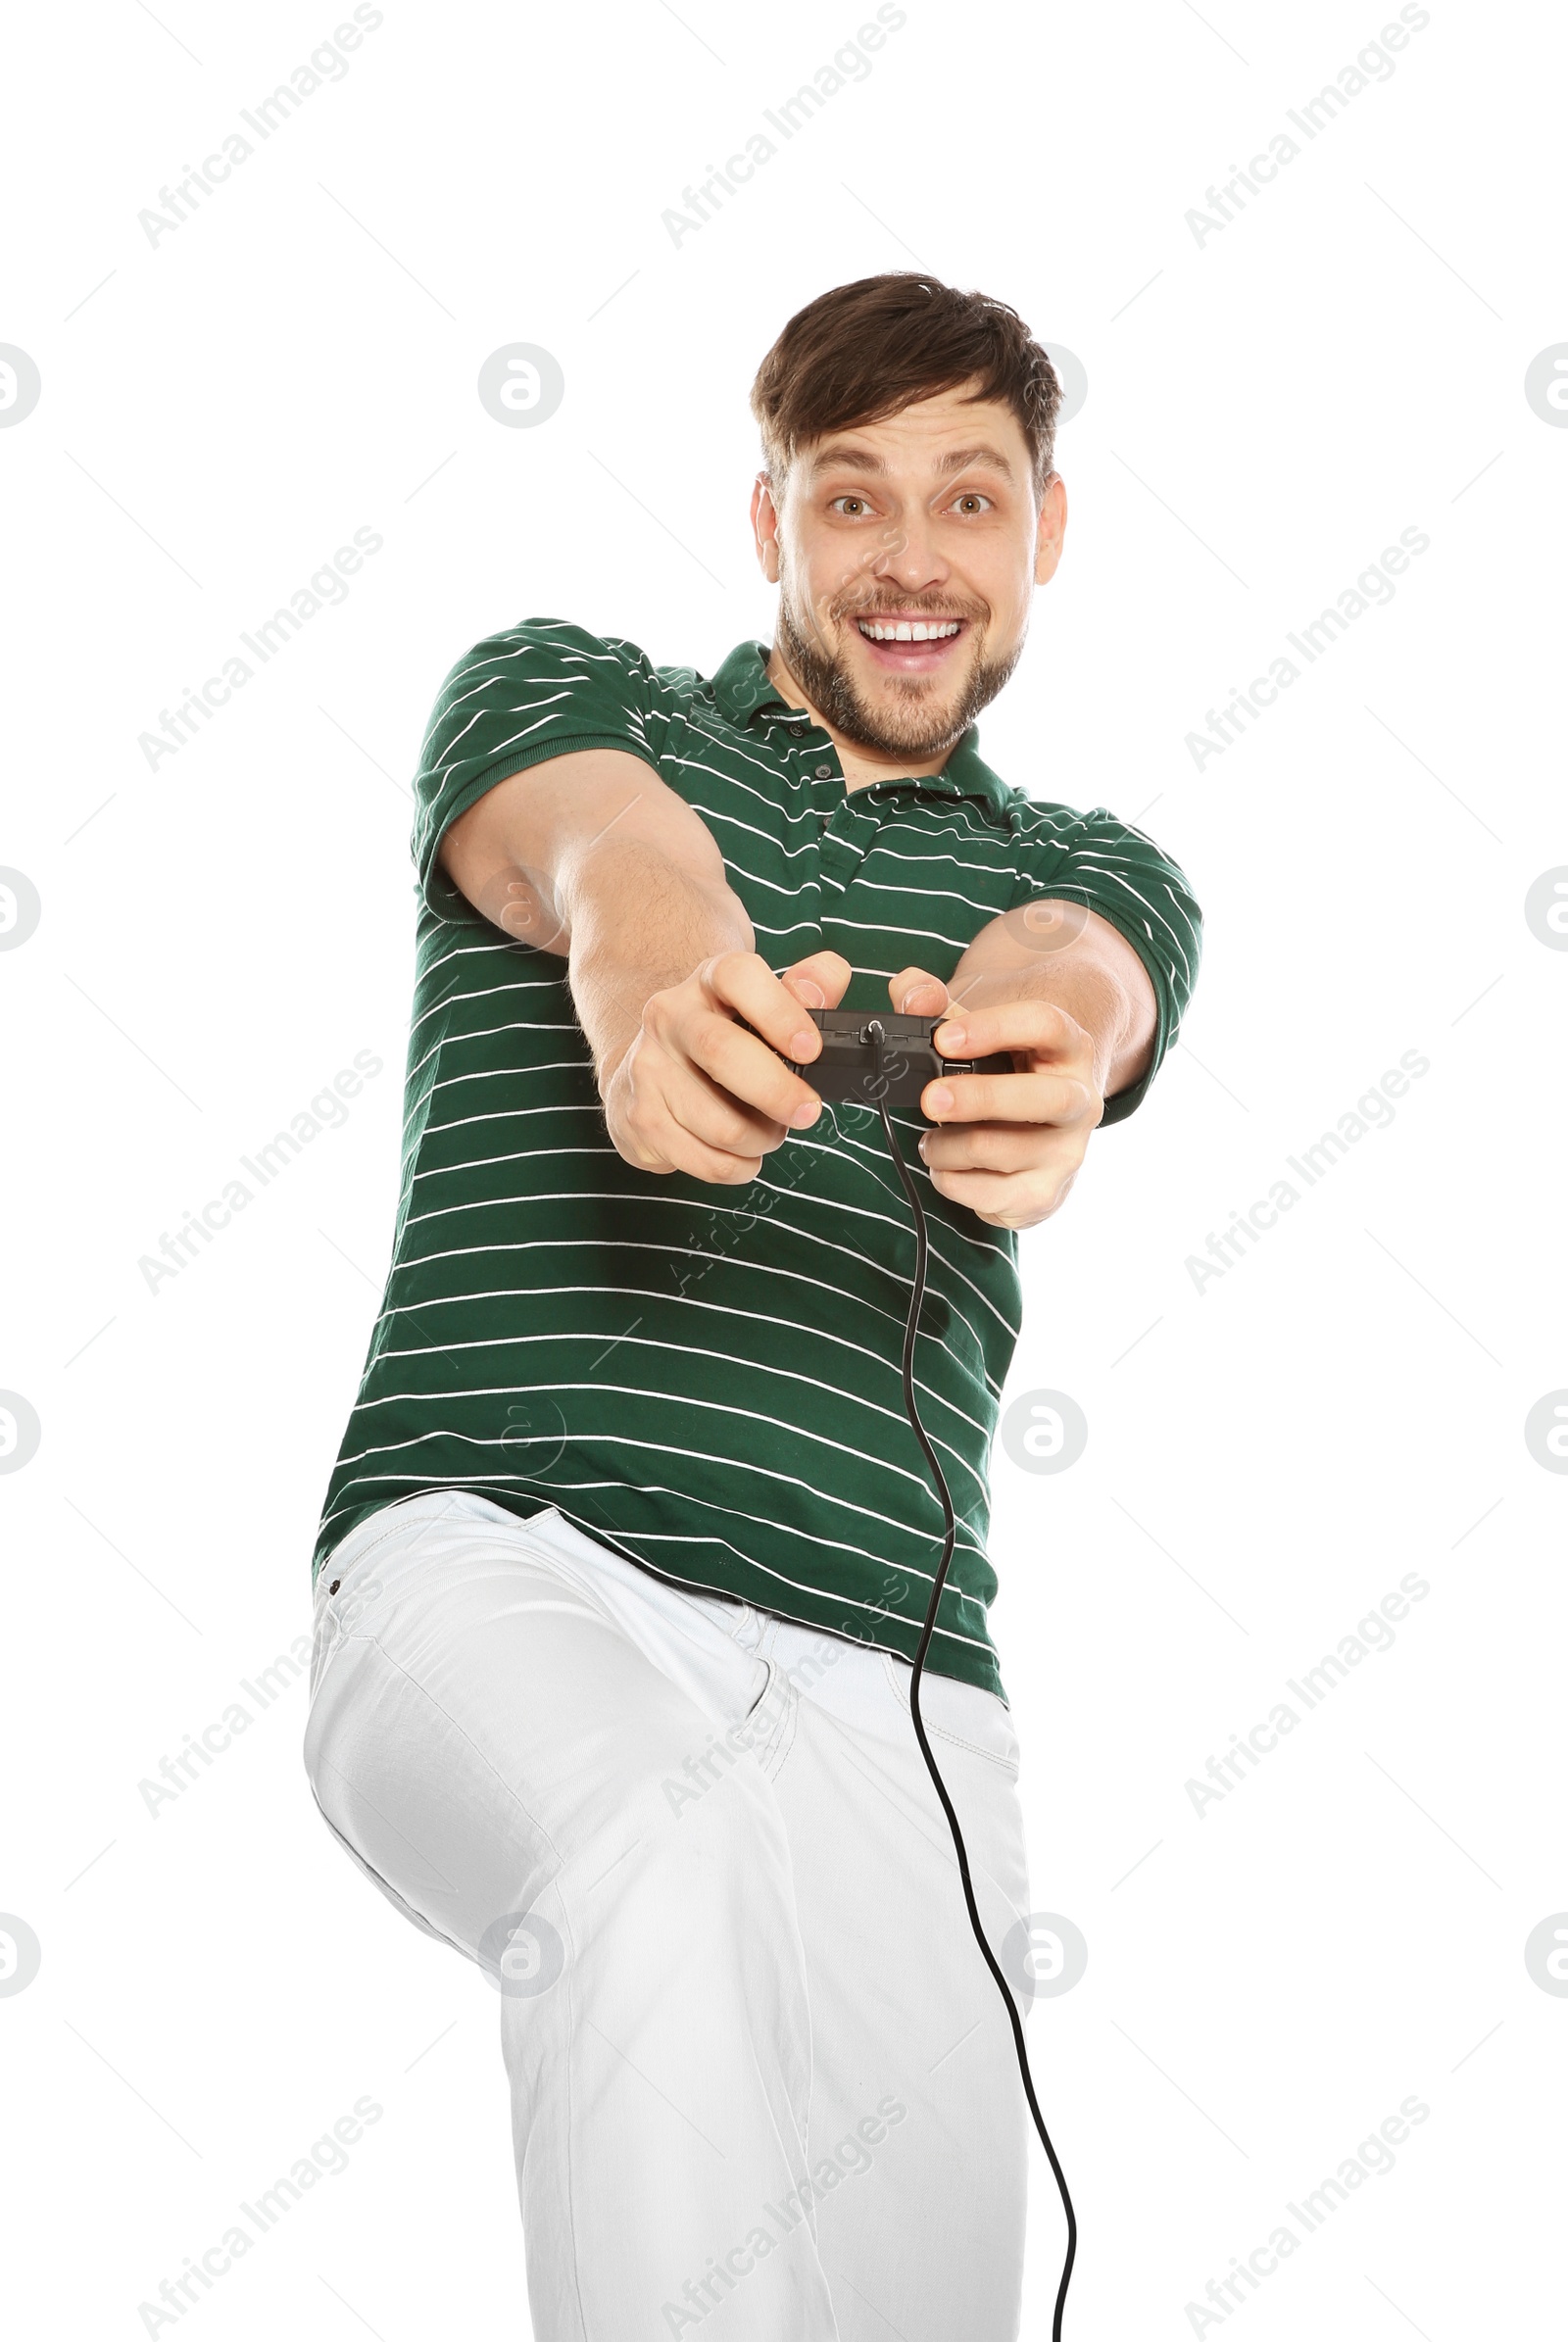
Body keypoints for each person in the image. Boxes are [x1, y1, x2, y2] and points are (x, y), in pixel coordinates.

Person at [303, 270, 1201, 2342]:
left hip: (899, 1686)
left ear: (1040, 533)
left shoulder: (1084, 864)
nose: (909, 558)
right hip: (503, 1567)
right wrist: (646, 968)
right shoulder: (567, 695)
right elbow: (604, 852)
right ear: (768, 522)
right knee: (643, 1852)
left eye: (968, 501)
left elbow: (1090, 958)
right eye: (850, 497)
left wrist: (1047, 1037)